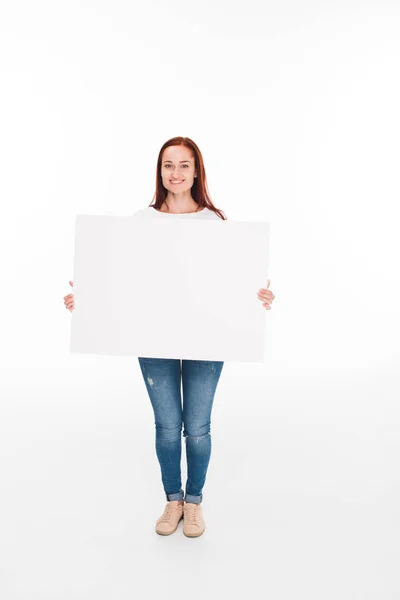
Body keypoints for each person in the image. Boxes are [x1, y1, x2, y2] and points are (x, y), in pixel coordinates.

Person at [63, 136, 275, 537]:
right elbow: (121, 279)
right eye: (168, 165)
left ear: (196, 171)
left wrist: (257, 298)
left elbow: (230, 282)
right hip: (153, 335)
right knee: (166, 425)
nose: (175, 173)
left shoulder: (214, 222)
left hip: (207, 338)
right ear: (160, 172)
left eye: (183, 165)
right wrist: (87, 302)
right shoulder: (142, 222)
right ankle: (172, 500)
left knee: (197, 427)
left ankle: (194, 503)